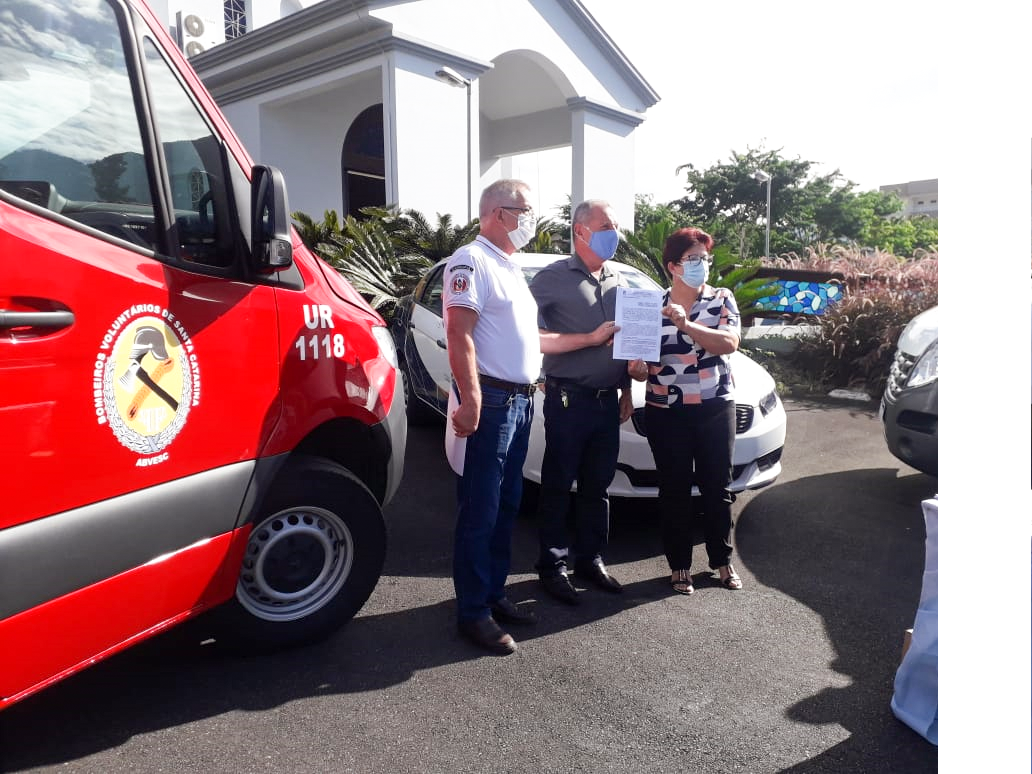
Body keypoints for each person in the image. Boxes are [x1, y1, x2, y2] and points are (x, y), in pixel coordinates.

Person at [443, 179, 541, 655]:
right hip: (494, 402)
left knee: (506, 506)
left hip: (521, 402)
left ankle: (493, 593)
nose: (530, 218)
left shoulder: (511, 267)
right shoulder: (471, 260)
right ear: (497, 213)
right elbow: (459, 332)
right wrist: (471, 398)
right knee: (480, 509)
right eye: (524, 210)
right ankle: (473, 613)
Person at [529, 199, 634, 605]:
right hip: (568, 400)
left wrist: (627, 387)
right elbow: (527, 334)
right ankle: (552, 567)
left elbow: (627, 344)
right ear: (580, 231)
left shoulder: (618, 281)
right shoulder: (552, 279)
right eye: (606, 225)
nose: (615, 232)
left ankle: (589, 559)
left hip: (608, 403)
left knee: (597, 486)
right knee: (558, 485)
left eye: (616, 224)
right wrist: (586, 340)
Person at [628, 227, 743, 595]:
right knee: (674, 490)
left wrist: (685, 323)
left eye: (704, 259)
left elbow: (729, 342)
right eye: (692, 259)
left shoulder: (721, 298)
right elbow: (638, 359)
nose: (701, 265)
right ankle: (679, 566)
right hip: (667, 411)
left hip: (714, 408)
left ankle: (722, 561)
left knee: (717, 488)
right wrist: (637, 368)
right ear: (672, 267)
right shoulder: (650, 307)